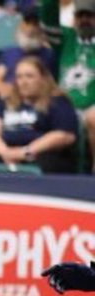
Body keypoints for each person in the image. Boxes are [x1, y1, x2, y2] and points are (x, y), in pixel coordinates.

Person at [0, 55, 80, 173]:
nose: (23, 82)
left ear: (43, 78)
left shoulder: (58, 102)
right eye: (19, 77)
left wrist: (26, 152)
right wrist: (5, 152)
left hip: (42, 155)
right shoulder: (6, 102)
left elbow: (65, 136)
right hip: (7, 153)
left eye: (29, 76)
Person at [44, 0, 95, 171]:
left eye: (90, 16)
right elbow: (48, 19)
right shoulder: (66, 39)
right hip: (63, 107)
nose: (84, 20)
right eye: (80, 15)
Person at [0, 10, 55, 101]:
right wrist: (15, 96)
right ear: (20, 25)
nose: (31, 29)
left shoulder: (48, 54)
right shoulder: (7, 52)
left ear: (41, 28)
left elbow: (50, 84)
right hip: (9, 100)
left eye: (35, 24)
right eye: (27, 23)